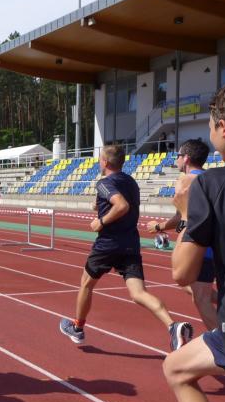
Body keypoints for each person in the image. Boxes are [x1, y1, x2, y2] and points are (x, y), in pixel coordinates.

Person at [164, 83, 225, 402]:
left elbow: (181, 273)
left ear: (224, 128)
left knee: (176, 370)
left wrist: (186, 217)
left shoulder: (212, 184)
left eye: (210, 127)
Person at [59, 145, 193, 350]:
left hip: (107, 244)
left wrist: (101, 221)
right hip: (130, 244)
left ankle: (77, 327)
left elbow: (122, 205)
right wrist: (100, 205)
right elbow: (121, 204)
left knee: (86, 284)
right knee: (139, 293)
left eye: (100, 159)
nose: (99, 162)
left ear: (105, 162)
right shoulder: (131, 182)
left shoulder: (104, 182)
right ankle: (173, 326)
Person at [146, 139, 218, 332]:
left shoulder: (185, 181)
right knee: (196, 289)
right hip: (216, 245)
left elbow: (182, 217)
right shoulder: (212, 178)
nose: (176, 159)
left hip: (198, 245)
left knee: (200, 298)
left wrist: (160, 227)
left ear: (186, 158)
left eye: (177, 155)